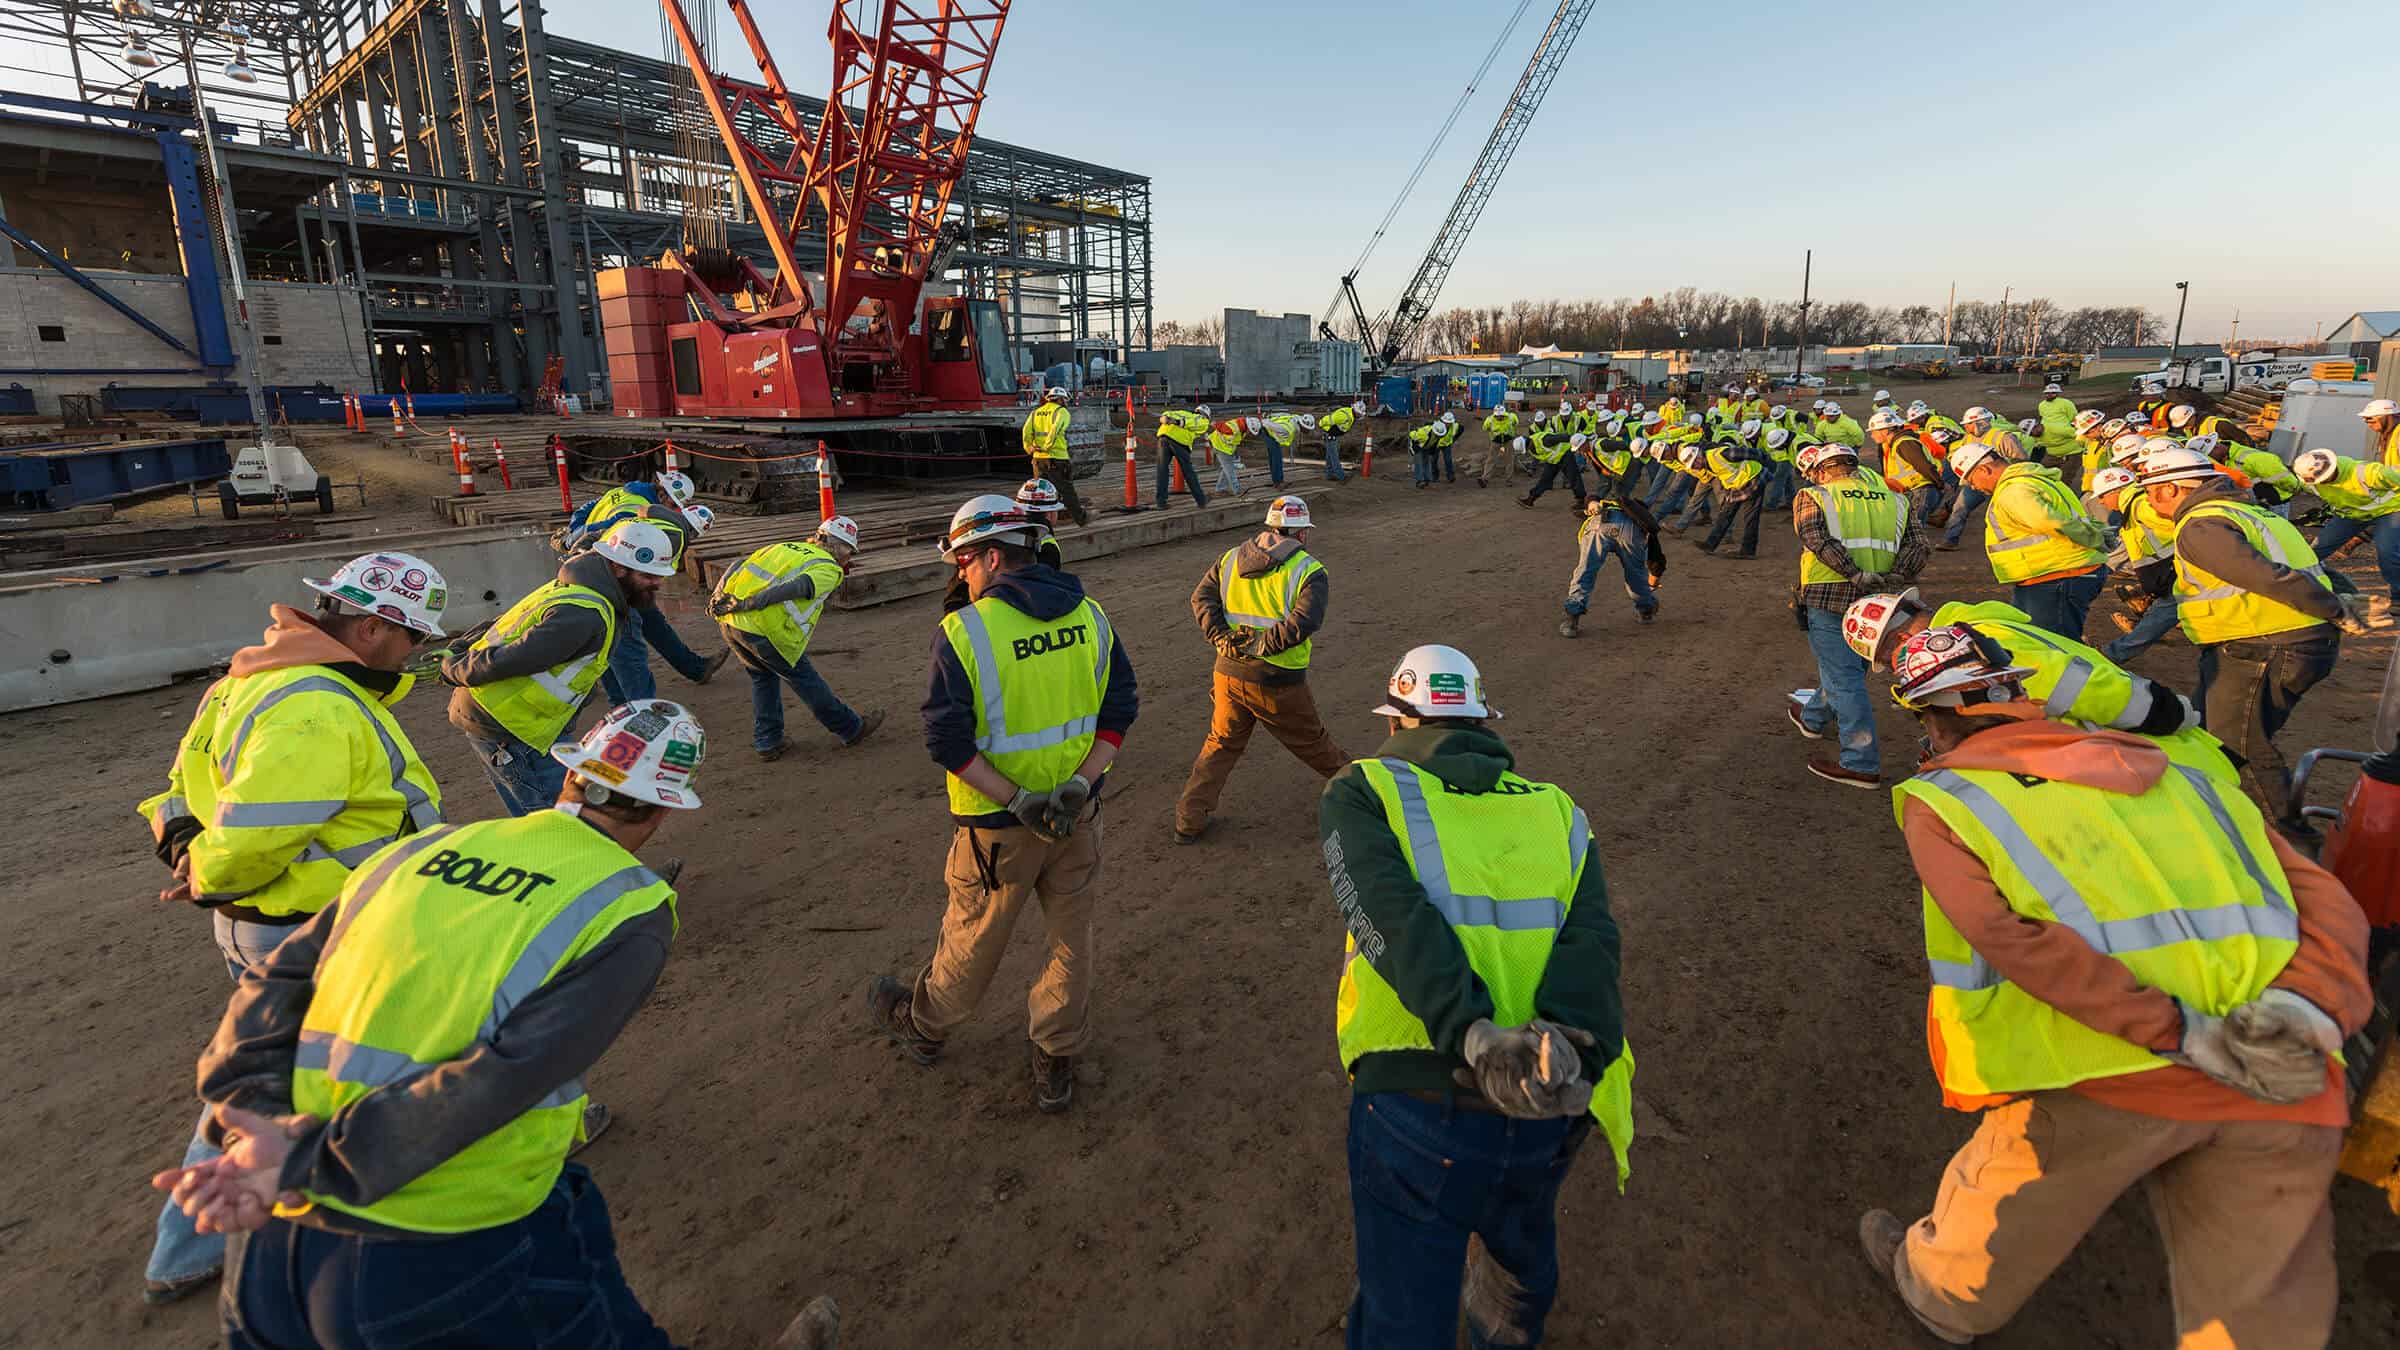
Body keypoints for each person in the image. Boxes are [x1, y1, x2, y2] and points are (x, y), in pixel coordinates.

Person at [148, 701, 842, 1348]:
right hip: (436, 1226)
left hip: (274, 1231)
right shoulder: (629, 907)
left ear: (571, 775)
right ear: (662, 810)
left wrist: (250, 1115)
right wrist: (307, 1161)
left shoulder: (421, 849)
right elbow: (515, 1071)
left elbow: (280, 979)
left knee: (582, 1247)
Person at [1855, 625, 2373, 1349]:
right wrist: (2308, 1009)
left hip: (2110, 1071)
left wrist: (2181, 1034)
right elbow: (2326, 901)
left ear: (1931, 724)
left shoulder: (1949, 803)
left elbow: (2012, 941)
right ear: (2021, 692)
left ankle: (1938, 1295)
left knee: (2003, 1202)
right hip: (2285, 1068)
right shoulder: (2189, 777)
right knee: (2261, 1307)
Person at [135, 552, 450, 1306]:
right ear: (374, 628)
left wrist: (185, 852)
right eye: (414, 640)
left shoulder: (246, 679)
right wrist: (209, 872)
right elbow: (255, 833)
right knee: (292, 1073)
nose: (417, 655)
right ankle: (196, 1243)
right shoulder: (318, 707)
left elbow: (182, 788)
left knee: (262, 1065)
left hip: (279, 921)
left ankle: (184, 1249)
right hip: (319, 922)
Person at [1321, 643, 1634, 1350]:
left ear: (1400, 722)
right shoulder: (1558, 810)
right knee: (1518, 1257)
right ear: (1482, 721)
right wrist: (1573, 1044)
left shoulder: (1365, 789)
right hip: (1550, 1103)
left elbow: (1389, 918)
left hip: (1419, 1096)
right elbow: (1593, 945)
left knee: (1402, 1307)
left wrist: (1474, 1033)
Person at [870, 496, 1139, 1113]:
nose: (959, 574)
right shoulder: (1092, 616)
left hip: (997, 829)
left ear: (993, 556)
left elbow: (946, 741)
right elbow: (1119, 708)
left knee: (975, 937)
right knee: (1071, 940)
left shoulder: (964, 632)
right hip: (1076, 817)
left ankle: (927, 1026)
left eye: (963, 561)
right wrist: (1081, 782)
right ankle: (1057, 1053)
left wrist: (1018, 799)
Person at [2139, 445, 2368, 832]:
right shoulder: (2249, 512)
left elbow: (2266, 576)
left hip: (2265, 644)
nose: (2147, 500)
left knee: (2240, 742)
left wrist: (2334, 608)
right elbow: (2313, 567)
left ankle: (2292, 835)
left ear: (2173, 489)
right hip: (2281, 642)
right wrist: (2341, 605)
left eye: (2150, 491)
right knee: (2203, 734)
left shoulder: (2201, 525)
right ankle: (2198, 812)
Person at [443, 519, 676, 816]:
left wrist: (461, 649)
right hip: (511, 728)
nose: (658, 583)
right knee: (558, 819)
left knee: (561, 812)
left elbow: (504, 625)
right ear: (618, 568)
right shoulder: (584, 614)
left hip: (520, 722)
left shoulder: (579, 587)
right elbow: (513, 658)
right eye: (649, 575)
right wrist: (453, 667)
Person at [1174, 495, 1346, 842]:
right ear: (1302, 533)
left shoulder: (1230, 558)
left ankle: (1188, 820)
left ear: (1270, 526)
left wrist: (1221, 637)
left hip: (1228, 673)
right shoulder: (1309, 570)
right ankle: (1376, 798)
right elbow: (1305, 621)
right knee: (1318, 747)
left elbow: (1201, 598)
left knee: (1221, 744)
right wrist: (1264, 646)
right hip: (1276, 681)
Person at [1841, 585, 2196, 735]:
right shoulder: (1983, 624)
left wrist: (2175, 715)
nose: (1899, 673)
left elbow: (2084, 691)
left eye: (1889, 663)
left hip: (2162, 748)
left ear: (1901, 642)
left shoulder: (1975, 648)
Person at [1785, 442, 1928, 789]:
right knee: (1847, 670)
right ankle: (1814, 717)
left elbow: (1816, 539)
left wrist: (1852, 572)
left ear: (1821, 471)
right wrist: (1895, 576)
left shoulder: (1813, 496)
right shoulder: (1896, 500)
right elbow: (1919, 546)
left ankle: (1860, 761)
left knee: (1843, 677)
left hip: (1830, 594)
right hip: (1881, 599)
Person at [711, 514, 887, 761]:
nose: (850, 559)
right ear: (841, 549)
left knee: (763, 678)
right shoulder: (828, 568)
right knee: (805, 680)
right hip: (767, 632)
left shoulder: (783, 547)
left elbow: (738, 563)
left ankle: (768, 741)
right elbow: (797, 588)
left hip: (731, 624)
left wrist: (718, 596)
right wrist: (749, 604)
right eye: (851, 552)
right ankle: (850, 728)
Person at [560, 470, 731, 704]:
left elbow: (590, 512)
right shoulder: (659, 528)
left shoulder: (639, 505)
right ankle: (634, 710)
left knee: (649, 621)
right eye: (673, 502)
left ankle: (694, 668)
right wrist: (573, 541)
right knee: (625, 649)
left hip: (590, 568)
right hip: (610, 584)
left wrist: (573, 536)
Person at [1948, 439, 2109, 640]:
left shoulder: (2013, 491)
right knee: (2039, 637)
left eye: (1971, 481)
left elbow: (2052, 522)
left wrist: (2096, 539)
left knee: (2053, 644)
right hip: (2056, 574)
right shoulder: (2037, 480)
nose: (1974, 487)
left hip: (2056, 576)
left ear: (1984, 470)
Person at [2083, 465, 2185, 665]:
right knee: (2158, 618)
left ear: (2116, 492)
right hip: (2175, 574)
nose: (2101, 502)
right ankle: (2113, 653)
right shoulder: (2135, 505)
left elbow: (2185, 521)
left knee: (2158, 619)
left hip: (2180, 574)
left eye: (2102, 497)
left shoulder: (2140, 507)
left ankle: (2111, 655)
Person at [1559, 441, 1660, 635]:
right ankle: (1646, 610)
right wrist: (1654, 577)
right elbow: (1655, 556)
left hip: (1598, 525)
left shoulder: (1604, 501)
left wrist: (1591, 503)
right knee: (1635, 573)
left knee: (1585, 570)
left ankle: (1572, 619)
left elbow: (1592, 497)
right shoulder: (1643, 518)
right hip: (1630, 531)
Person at [2293, 446, 2400, 597]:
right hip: (2350, 514)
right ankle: (2295, 587)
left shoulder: (2367, 473)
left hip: (2389, 511)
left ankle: (2398, 596)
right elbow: (2291, 485)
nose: (2323, 484)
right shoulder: (2310, 481)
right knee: (2315, 550)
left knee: (2388, 552)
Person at [1022, 385, 1091, 525]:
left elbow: (1026, 431)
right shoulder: (1062, 412)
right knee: (1066, 491)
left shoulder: (1036, 412)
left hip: (1038, 459)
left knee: (1040, 493)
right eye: (1065, 400)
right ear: (1061, 399)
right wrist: (1047, 446)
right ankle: (1081, 518)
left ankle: (1038, 521)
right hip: (1056, 458)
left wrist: (1029, 448)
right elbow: (1055, 429)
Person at [1695, 429, 1767, 558]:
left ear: (1699, 456)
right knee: (1724, 514)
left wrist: (1765, 460)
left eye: (1695, 462)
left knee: (1750, 517)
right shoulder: (1707, 463)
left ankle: (1748, 551)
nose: (1695, 466)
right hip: (1737, 486)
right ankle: (1710, 544)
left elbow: (1751, 453)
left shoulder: (1720, 454)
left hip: (1753, 479)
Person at [1867, 408, 1943, 523]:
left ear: (1885, 430)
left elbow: (1923, 466)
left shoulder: (1904, 443)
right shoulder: (1898, 443)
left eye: (1874, 431)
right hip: (1916, 492)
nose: (1872, 436)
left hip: (1921, 491)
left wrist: (1940, 484)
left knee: (1913, 530)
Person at [1516, 416, 1587, 508]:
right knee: (1544, 480)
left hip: (1565, 455)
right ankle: (1531, 499)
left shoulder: (1545, 439)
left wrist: (1577, 442)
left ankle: (1582, 501)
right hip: (1553, 461)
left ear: (1527, 443)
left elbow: (1563, 437)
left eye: (1526, 448)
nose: (1527, 451)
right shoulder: (1532, 447)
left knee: (1573, 477)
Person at [1154, 404, 1212, 509]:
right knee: (1188, 472)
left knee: (1162, 470)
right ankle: (1201, 500)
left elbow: (1167, 414)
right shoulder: (1203, 420)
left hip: (1163, 437)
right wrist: (1177, 422)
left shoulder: (1183, 412)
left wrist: (1165, 418)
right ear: (1206, 415)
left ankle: (1161, 502)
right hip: (1180, 442)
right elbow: (1194, 423)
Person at [1477, 401, 1522, 489]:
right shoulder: (1489, 420)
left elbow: (1516, 423)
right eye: (1497, 416)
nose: (1499, 417)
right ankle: (1485, 479)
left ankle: (1509, 480)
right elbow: (1485, 428)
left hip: (1508, 440)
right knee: (1490, 460)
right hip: (1495, 441)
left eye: (1501, 415)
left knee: (1509, 460)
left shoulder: (1511, 417)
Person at [1319, 399, 1364, 481]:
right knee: (1334, 457)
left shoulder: (1350, 415)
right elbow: (1326, 420)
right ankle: (1341, 476)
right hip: (1330, 436)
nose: (1360, 416)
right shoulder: (1344, 416)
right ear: (1356, 411)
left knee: (1330, 457)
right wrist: (1322, 425)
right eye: (1359, 414)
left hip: (1332, 435)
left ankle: (1329, 475)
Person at [1209, 415, 1254, 497]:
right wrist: (1213, 424)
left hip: (1224, 447)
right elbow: (1217, 425)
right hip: (1220, 447)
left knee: (1227, 469)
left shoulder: (1242, 428)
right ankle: (1237, 490)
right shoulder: (1234, 428)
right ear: (1248, 427)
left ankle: (1220, 489)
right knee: (1230, 470)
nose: (1250, 433)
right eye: (1250, 431)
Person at [2034, 382, 2079, 462]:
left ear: (2058, 393)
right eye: (2047, 393)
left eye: (2053, 393)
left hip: (2063, 431)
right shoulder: (2041, 405)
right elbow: (2041, 417)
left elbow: (2073, 417)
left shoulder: (2066, 403)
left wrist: (2063, 427)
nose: (2049, 394)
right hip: (2046, 433)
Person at [1259, 409, 1301, 488]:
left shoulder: (1292, 419)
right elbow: (1274, 426)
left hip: (1267, 431)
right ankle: (1278, 481)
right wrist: (1265, 421)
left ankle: (1277, 480)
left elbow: (1279, 415)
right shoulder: (1287, 428)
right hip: (1267, 432)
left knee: (1274, 457)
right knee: (1276, 457)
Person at [2360, 396, 2399, 468]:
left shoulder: (2398, 435)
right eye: (2365, 419)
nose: (2368, 424)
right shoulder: (2386, 435)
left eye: (2370, 419)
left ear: (2387, 417)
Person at [1408, 419, 1442, 489]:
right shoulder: (1423, 433)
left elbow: (1434, 445)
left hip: (1426, 446)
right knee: (1419, 463)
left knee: (1427, 461)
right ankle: (1419, 481)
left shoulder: (1438, 435)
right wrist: (1413, 451)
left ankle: (1427, 479)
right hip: (1417, 446)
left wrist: (1432, 453)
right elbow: (1412, 435)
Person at [1436, 409, 1463, 483]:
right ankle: (1434, 476)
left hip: (1447, 444)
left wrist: (1454, 439)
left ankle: (1450, 476)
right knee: (1433, 460)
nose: (1447, 424)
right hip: (1436, 445)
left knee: (1448, 460)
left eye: (1449, 423)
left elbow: (1461, 429)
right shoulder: (1437, 424)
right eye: (1446, 422)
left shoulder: (1455, 426)